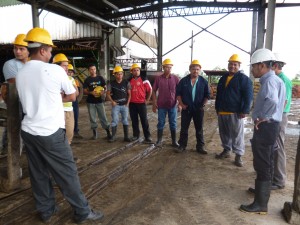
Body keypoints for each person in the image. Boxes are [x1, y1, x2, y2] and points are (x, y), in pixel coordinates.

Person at [15, 27, 103, 223]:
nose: (51, 53)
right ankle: (82, 211)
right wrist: (58, 94)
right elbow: (72, 95)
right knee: (67, 172)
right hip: (50, 132)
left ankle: (46, 211)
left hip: (28, 130)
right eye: (50, 50)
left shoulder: (21, 73)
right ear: (44, 50)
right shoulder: (54, 70)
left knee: (38, 173)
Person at [239, 48, 286, 215]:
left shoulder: (269, 81)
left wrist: (262, 117)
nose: (252, 70)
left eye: (253, 66)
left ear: (262, 65)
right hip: (272, 126)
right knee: (267, 159)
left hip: (266, 126)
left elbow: (272, 100)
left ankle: (260, 203)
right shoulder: (276, 80)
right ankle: (262, 194)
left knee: (262, 162)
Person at [215, 54, 253, 167]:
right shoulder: (223, 78)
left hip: (235, 112)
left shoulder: (244, 79)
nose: (232, 66)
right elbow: (218, 95)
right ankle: (226, 150)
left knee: (237, 135)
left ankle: (238, 155)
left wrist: (245, 110)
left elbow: (248, 96)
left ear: (239, 65)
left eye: (235, 64)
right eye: (230, 64)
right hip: (222, 111)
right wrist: (217, 107)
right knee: (224, 133)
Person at [1, 33, 29, 155]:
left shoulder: (32, 63)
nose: (17, 51)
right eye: (15, 48)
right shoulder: (10, 64)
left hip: (29, 104)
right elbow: (16, 84)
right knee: (14, 133)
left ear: (29, 50)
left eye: (21, 48)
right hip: (16, 103)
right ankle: (11, 163)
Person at [175, 59, 210, 154]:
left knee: (199, 128)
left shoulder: (203, 81)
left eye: (197, 69)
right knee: (184, 128)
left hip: (198, 109)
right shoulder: (183, 81)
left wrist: (203, 104)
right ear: (190, 69)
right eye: (193, 69)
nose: (196, 71)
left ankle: (200, 147)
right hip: (187, 109)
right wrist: (182, 105)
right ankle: (182, 145)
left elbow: (207, 95)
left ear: (200, 70)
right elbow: (178, 94)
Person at [271, 53, 292, 190]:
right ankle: (274, 175)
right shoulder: (277, 78)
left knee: (278, 147)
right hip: (277, 115)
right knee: (274, 146)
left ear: (275, 66)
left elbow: (284, 101)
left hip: (280, 116)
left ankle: (279, 180)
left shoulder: (283, 80)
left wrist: (274, 117)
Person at [152, 58, 180, 147]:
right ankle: (159, 141)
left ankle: (174, 141)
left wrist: (179, 103)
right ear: (163, 67)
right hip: (161, 105)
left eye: (170, 67)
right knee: (161, 122)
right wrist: (154, 103)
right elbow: (153, 90)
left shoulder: (175, 78)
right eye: (166, 67)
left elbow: (179, 92)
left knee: (173, 123)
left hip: (173, 105)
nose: (168, 69)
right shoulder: (158, 79)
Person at [52, 53, 79, 145]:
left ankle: (66, 156)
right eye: (64, 66)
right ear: (56, 66)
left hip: (69, 110)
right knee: (56, 135)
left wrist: (63, 96)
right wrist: (66, 95)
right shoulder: (51, 79)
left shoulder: (70, 79)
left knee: (69, 134)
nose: (67, 68)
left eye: (67, 66)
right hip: (57, 110)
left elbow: (74, 96)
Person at [83, 64, 111, 140]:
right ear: (89, 70)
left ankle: (108, 132)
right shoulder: (87, 80)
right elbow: (84, 91)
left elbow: (105, 87)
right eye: (91, 69)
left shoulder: (100, 78)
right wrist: (91, 93)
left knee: (103, 117)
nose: (93, 71)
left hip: (99, 101)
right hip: (90, 101)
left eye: (94, 69)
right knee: (92, 118)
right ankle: (95, 133)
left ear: (96, 69)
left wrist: (103, 92)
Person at [128, 63, 152, 143]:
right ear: (132, 71)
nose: (136, 72)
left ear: (139, 71)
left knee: (144, 120)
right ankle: (136, 135)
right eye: (134, 70)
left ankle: (147, 137)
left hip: (141, 103)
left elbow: (150, 90)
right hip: (132, 104)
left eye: (137, 70)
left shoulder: (144, 79)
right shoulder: (129, 80)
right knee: (134, 120)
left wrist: (147, 99)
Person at [106, 65, 131, 142]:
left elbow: (129, 94)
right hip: (116, 106)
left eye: (121, 74)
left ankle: (126, 137)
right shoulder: (111, 84)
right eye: (118, 74)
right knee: (114, 120)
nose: (119, 75)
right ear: (115, 74)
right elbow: (108, 94)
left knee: (125, 120)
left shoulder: (126, 82)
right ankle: (113, 137)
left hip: (124, 105)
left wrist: (127, 103)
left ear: (122, 74)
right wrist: (112, 101)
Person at [68, 64, 83, 139]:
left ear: (73, 73)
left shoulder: (76, 81)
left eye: (71, 72)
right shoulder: (63, 80)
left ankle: (76, 131)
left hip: (74, 101)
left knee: (75, 116)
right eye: (68, 71)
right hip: (66, 102)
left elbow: (79, 92)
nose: (70, 73)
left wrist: (77, 99)